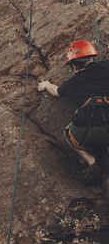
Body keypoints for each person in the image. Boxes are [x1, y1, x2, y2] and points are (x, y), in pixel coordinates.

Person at [37, 39, 109, 186]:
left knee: (68, 133)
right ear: (92, 56)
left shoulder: (72, 84)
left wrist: (46, 84)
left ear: (74, 65)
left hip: (85, 130)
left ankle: (91, 161)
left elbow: (55, 91)